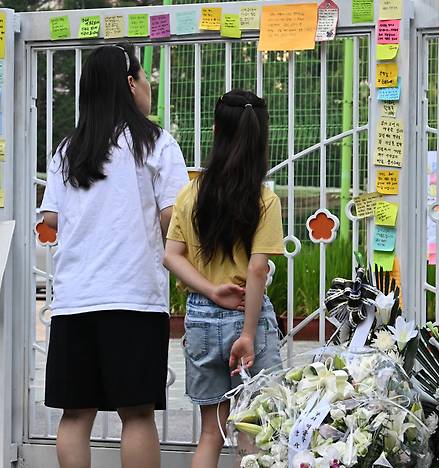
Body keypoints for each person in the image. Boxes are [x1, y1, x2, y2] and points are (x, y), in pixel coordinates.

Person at [39, 44, 190, 468]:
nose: (148, 88)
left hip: (75, 299)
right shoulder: (156, 142)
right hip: (133, 296)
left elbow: (50, 215)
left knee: (76, 413)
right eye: (145, 80)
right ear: (130, 84)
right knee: (137, 412)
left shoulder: (69, 149)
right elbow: (172, 218)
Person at [164, 90, 284, 468]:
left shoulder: (190, 194)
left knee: (210, 433)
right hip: (247, 316)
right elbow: (257, 269)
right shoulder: (263, 199)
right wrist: (247, 334)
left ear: (216, 130)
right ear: (262, 138)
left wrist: (210, 290)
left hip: (200, 318)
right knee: (253, 432)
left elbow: (171, 256)